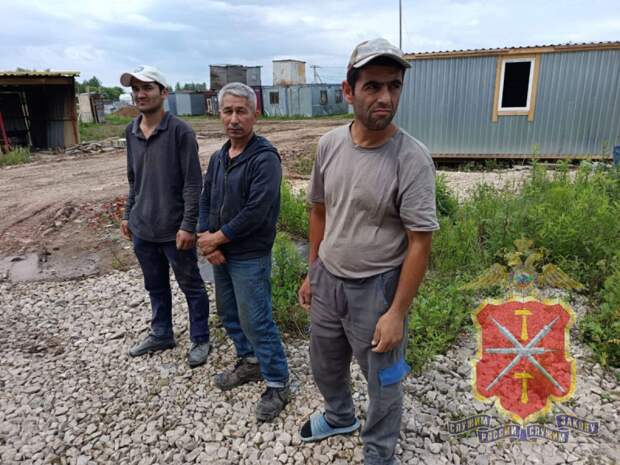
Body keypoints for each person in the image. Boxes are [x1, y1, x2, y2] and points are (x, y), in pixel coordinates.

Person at [297, 38, 439, 465]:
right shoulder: (329, 145)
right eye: (373, 86)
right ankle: (340, 416)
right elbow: (319, 210)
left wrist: (396, 312)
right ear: (348, 90)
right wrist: (312, 270)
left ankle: (378, 451)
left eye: (394, 86)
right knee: (324, 364)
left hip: (377, 289)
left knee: (384, 379)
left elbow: (420, 242)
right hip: (328, 280)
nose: (385, 98)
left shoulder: (411, 159)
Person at [197, 82, 290, 422]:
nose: (234, 119)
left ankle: (278, 382)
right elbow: (206, 199)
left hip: (249, 254)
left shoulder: (265, 158)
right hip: (220, 252)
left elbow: (257, 211)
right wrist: (206, 237)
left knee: (256, 318)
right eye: (228, 111)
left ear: (255, 114)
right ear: (219, 114)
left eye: (241, 111)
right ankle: (250, 362)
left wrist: (217, 239)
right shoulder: (219, 157)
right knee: (229, 313)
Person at [120, 65, 211, 368]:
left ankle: (200, 338)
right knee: (155, 285)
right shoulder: (131, 131)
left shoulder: (180, 132)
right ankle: (161, 333)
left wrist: (188, 225)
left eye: (147, 88)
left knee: (191, 285)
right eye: (136, 89)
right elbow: (134, 178)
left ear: (164, 92)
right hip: (143, 228)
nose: (140, 94)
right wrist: (127, 214)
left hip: (175, 230)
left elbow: (193, 183)